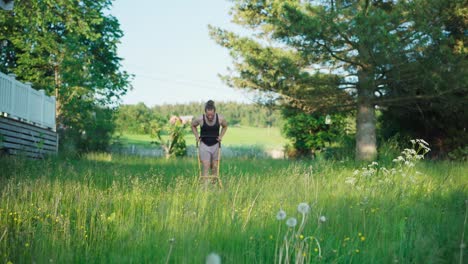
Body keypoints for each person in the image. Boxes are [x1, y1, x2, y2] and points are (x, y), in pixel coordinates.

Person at [191, 100, 228, 179]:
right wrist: (197, 136)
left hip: (216, 144)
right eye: (208, 115)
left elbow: (225, 126)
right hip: (204, 144)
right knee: (206, 165)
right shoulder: (200, 118)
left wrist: (221, 136)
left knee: (214, 166)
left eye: (212, 115)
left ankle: (214, 186)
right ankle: (205, 188)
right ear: (205, 113)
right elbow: (193, 125)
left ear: (215, 112)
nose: (210, 117)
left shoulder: (220, 118)